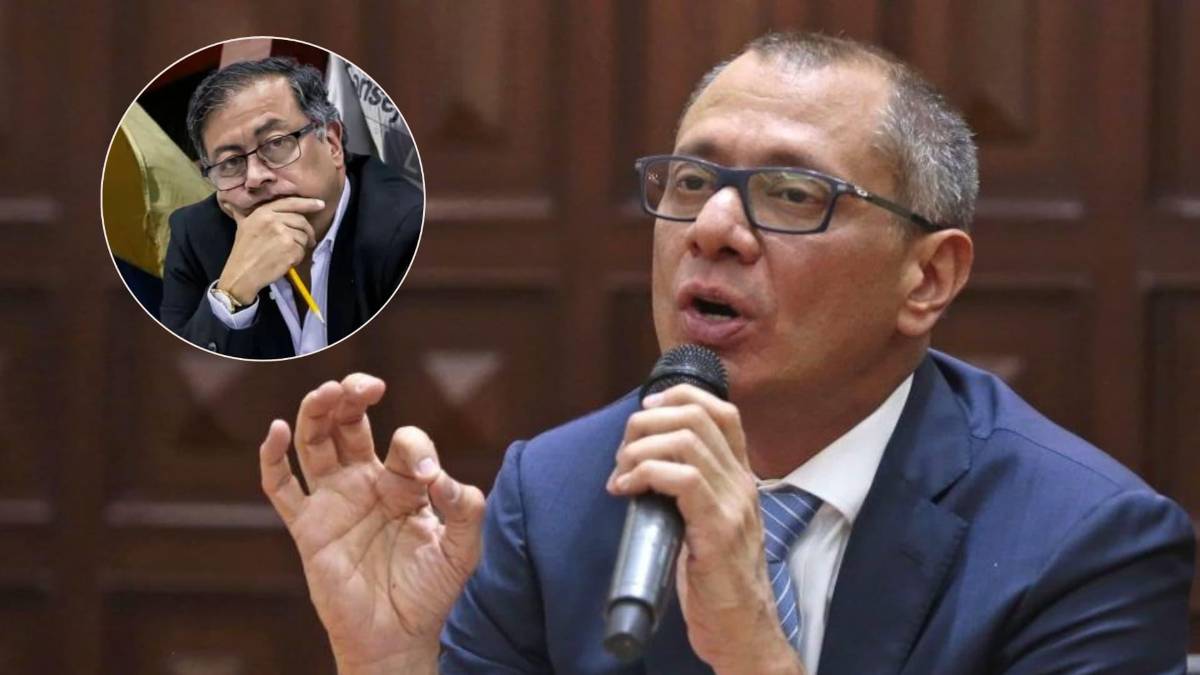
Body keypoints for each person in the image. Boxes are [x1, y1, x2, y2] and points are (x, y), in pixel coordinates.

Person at [257, 32, 1195, 674]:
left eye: (791, 193)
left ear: (928, 278)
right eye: (691, 179)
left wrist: (753, 647)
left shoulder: (1084, 544)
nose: (711, 227)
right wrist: (392, 662)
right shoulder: (554, 494)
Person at [161, 56, 423, 359]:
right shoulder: (195, 234)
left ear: (332, 144)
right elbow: (175, 375)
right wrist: (231, 295)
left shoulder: (408, 229)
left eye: (276, 143)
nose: (255, 178)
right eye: (231, 162)